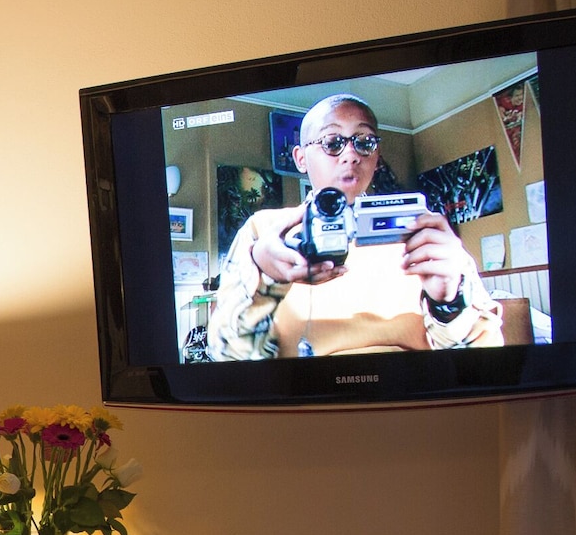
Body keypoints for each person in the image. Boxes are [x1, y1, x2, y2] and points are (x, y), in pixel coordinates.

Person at [206, 93, 502, 360]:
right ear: (300, 159)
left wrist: (449, 304)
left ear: (376, 156)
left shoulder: (421, 228)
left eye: (365, 142)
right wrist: (264, 280)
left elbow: (485, 359)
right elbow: (228, 357)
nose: (351, 154)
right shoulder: (265, 232)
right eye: (332, 142)